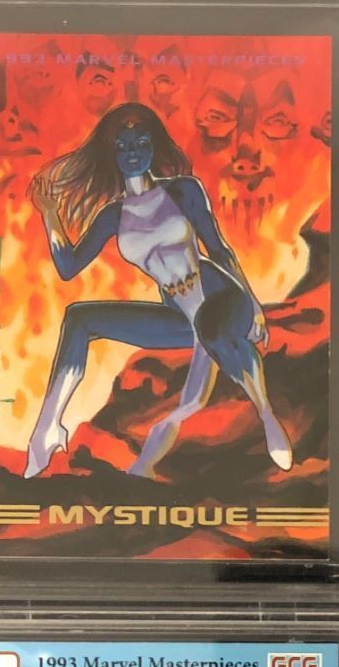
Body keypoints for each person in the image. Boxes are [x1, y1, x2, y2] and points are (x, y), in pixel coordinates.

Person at [22, 102, 292, 479]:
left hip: (222, 298)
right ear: (112, 154)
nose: (132, 153)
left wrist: (254, 304)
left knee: (213, 332)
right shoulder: (113, 216)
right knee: (79, 318)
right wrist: (50, 214)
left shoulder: (184, 191)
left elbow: (219, 249)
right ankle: (47, 428)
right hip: (179, 316)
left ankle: (265, 414)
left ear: (154, 147)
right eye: (122, 146)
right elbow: (68, 268)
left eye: (141, 144)